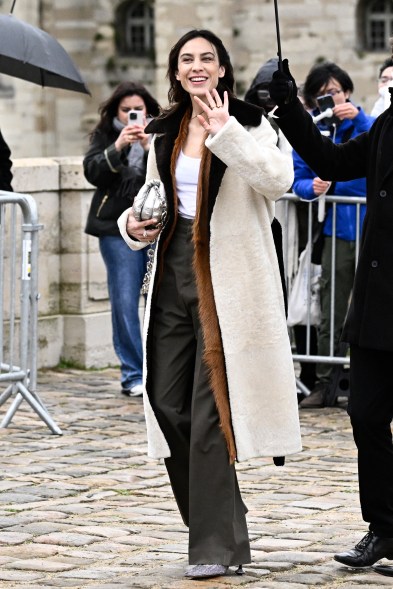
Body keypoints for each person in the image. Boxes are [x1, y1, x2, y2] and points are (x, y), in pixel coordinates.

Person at [117, 29, 302, 579]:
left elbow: (278, 180)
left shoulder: (251, 124)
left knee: (207, 412)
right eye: (187, 60)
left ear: (222, 69)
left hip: (229, 280)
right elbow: (149, 198)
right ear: (175, 72)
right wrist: (134, 224)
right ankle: (222, 516)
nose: (197, 67)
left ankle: (216, 546)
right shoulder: (163, 132)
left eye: (207, 59)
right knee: (164, 399)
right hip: (172, 272)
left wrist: (226, 134)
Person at [269, 46, 393, 575]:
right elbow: (334, 162)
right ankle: (385, 528)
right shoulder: (388, 126)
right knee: (364, 416)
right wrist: (291, 107)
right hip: (377, 306)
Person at [292, 62, 373, 408]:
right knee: (333, 306)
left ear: (348, 92)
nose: (331, 99)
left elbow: (380, 152)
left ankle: (367, 383)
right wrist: (312, 187)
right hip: (336, 229)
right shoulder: (315, 132)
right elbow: (296, 178)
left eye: (335, 92)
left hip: (371, 226)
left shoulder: (367, 124)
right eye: (323, 95)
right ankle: (327, 381)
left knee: (373, 308)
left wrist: (357, 118)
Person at [245, 59, 317, 401]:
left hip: (289, 223)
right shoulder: (245, 122)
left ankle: (297, 372)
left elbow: (293, 170)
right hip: (257, 222)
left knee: (287, 291)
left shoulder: (288, 122)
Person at [83, 82, 160, 397]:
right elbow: (92, 172)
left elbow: (169, 176)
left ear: (147, 110)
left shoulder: (160, 134)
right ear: (116, 111)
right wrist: (117, 147)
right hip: (114, 230)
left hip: (156, 225)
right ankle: (133, 373)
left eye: (138, 109)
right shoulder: (105, 136)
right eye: (126, 110)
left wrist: (147, 148)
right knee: (124, 300)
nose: (133, 115)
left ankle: (159, 372)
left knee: (158, 302)